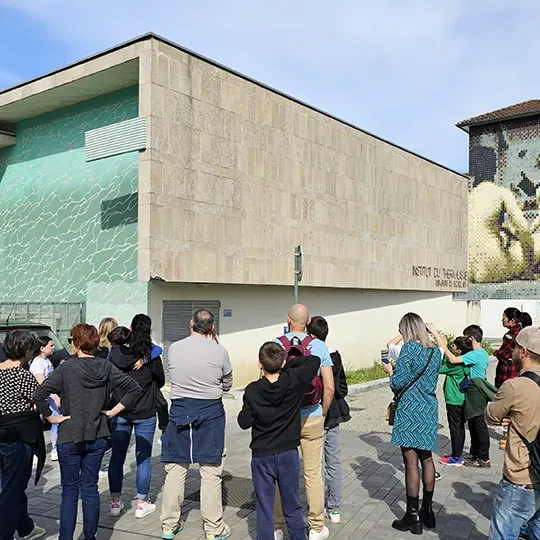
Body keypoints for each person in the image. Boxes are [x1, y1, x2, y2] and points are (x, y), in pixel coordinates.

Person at [33, 323, 142, 540]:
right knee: (90, 489)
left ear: (76, 343)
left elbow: (39, 394)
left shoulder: (66, 367)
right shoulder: (105, 366)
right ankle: (90, 536)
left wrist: (52, 417)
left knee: (70, 492)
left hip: (69, 434)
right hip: (98, 433)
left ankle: (66, 537)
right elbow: (134, 388)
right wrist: (113, 411)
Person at [161, 309, 233, 540]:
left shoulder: (173, 348)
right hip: (210, 411)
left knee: (175, 469)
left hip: (180, 409)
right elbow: (227, 383)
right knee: (211, 471)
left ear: (191, 323)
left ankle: (169, 525)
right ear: (212, 327)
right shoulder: (220, 351)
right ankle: (213, 529)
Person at [238, 342, 320, 540]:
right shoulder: (294, 381)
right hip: (288, 452)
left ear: (260, 364)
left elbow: (243, 422)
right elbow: (313, 360)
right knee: (292, 503)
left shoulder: (253, 391)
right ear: (282, 361)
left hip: (262, 454)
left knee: (265, 507)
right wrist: (288, 364)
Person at [273, 304, 334, 540]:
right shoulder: (318, 346)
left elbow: (267, 380)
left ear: (288, 319)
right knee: (313, 473)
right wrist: (323, 412)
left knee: (281, 472)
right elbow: (328, 387)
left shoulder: (276, 343)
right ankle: (317, 527)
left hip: (284, 418)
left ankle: (278, 526)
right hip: (312, 413)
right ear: (308, 322)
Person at [0, 330, 68, 540]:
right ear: (28, 351)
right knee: (12, 489)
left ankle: (26, 527)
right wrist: (53, 418)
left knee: (10, 483)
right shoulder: (23, 375)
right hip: (19, 436)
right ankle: (4, 533)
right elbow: (40, 398)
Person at [386, 314, 442, 535]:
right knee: (426, 458)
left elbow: (398, 382)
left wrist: (390, 373)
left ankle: (412, 515)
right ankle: (427, 509)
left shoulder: (408, 350)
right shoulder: (435, 352)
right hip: (428, 408)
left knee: (410, 463)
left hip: (410, 409)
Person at [107, 317, 165, 519]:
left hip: (120, 411)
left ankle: (115, 503)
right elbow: (162, 381)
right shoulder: (151, 355)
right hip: (145, 411)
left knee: (117, 457)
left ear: (130, 329)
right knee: (144, 458)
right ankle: (141, 503)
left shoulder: (114, 354)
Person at [485, 326, 540, 539]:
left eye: (515, 347)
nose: (512, 352)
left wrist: (509, 412)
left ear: (524, 352)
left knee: (503, 533)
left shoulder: (515, 386)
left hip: (521, 477)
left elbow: (491, 416)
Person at [306, 315, 350, 525]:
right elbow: (341, 389)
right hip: (333, 414)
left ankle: (315, 505)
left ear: (311, 335)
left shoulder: (308, 357)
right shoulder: (336, 356)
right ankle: (334, 508)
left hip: (313, 414)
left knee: (312, 464)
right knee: (333, 461)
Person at [432, 324, 493, 468]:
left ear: (471, 338)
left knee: (479, 426)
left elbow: (453, 360)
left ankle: (483, 458)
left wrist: (443, 345)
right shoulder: (481, 353)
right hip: (472, 392)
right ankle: (475, 453)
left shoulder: (475, 354)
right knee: (473, 425)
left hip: (476, 391)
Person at [438, 336, 471, 467]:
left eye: (453, 346)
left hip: (454, 400)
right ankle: (457, 453)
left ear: (458, 350)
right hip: (461, 399)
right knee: (460, 428)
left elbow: (439, 368)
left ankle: (456, 457)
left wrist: (443, 346)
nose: (451, 347)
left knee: (455, 428)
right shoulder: (465, 361)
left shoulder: (456, 364)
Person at [30, 335, 62, 461]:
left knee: (55, 420)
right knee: (47, 422)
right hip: (43, 398)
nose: (53, 348)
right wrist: (54, 397)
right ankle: (38, 451)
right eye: (51, 345)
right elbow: (42, 383)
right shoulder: (38, 363)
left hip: (48, 397)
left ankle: (55, 448)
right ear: (42, 348)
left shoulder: (46, 361)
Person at [494, 308, 524, 389]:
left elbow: (504, 355)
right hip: (518, 369)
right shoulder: (522, 332)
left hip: (508, 371)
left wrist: (496, 353)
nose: (502, 320)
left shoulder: (511, 336)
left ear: (512, 321)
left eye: (504, 318)